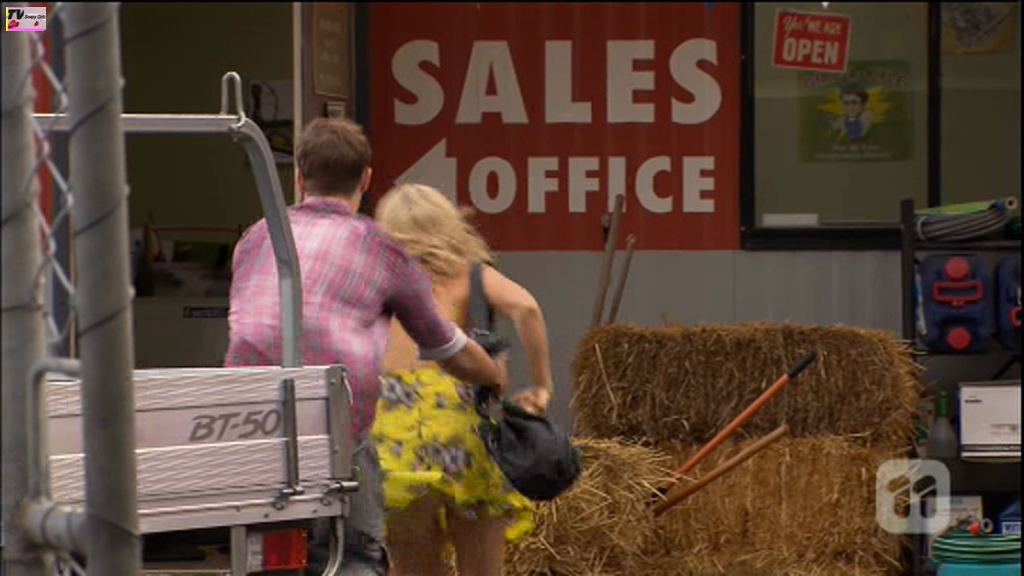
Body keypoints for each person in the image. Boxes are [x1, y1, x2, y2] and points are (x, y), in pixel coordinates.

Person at [224, 118, 506, 575]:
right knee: (355, 553)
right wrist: (492, 374)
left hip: (253, 428)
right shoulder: (380, 248)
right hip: (337, 433)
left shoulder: (256, 237)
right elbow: (446, 347)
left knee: (269, 556)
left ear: (300, 178)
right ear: (367, 178)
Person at [370, 183, 556, 576]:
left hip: (395, 438)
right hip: (462, 426)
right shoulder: (469, 274)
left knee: (412, 567)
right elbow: (526, 308)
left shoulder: (372, 279)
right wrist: (542, 384)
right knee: (481, 564)